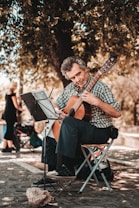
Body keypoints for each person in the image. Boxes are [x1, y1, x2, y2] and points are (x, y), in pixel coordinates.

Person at [32, 56, 121, 186]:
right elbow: (57, 105)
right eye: (72, 77)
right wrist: (58, 111)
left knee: (68, 123)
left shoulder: (101, 87)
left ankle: (67, 166)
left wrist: (97, 102)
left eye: (78, 74)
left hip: (99, 130)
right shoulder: (70, 88)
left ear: (85, 69)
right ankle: (51, 172)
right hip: (78, 130)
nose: (77, 79)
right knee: (51, 126)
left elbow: (117, 113)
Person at [1, 81, 23, 153]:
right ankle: (5, 147)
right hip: (10, 114)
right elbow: (16, 106)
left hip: (7, 113)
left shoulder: (7, 94)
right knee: (9, 130)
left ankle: (8, 147)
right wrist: (22, 109)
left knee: (9, 130)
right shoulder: (13, 95)